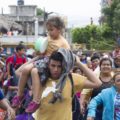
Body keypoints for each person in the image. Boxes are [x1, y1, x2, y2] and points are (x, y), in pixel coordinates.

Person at [12, 16, 70, 113]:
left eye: (51, 30)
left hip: (51, 62)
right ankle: (19, 95)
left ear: (59, 29)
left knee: (34, 71)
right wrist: (39, 52)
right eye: (48, 30)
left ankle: (36, 100)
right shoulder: (48, 38)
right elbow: (42, 50)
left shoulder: (63, 42)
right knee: (26, 70)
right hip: (43, 60)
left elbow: (67, 56)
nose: (49, 32)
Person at [30, 49, 102, 120]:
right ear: (48, 64)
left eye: (59, 66)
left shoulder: (71, 78)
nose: (56, 69)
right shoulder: (40, 77)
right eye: (53, 65)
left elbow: (97, 83)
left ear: (64, 66)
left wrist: (79, 63)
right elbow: (19, 72)